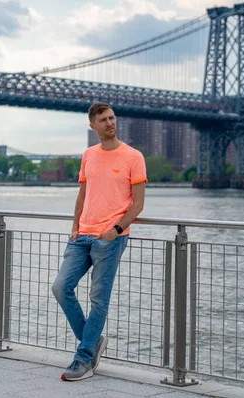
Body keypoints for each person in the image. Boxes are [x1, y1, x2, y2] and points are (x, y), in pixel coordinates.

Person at [52, 102, 147, 381]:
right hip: (81, 236)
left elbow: (138, 204)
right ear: (93, 126)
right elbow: (83, 194)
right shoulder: (88, 155)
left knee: (98, 299)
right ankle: (92, 344)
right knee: (60, 287)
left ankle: (83, 359)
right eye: (103, 120)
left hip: (110, 238)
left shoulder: (133, 156)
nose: (110, 123)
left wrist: (114, 230)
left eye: (112, 117)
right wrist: (74, 225)